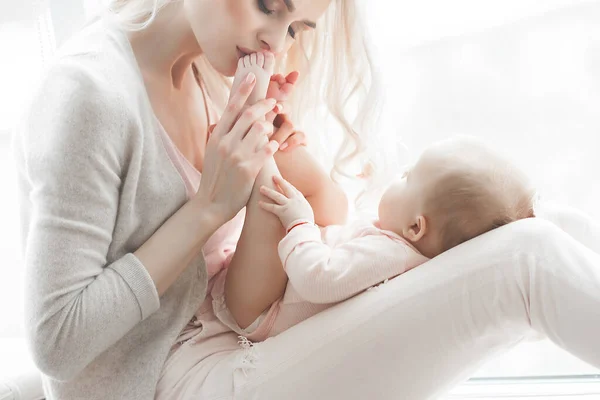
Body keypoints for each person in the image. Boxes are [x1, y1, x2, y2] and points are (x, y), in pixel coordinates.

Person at [12, 0, 600, 399]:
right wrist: (210, 208)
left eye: (296, 27)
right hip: (172, 379)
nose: (275, 40)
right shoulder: (89, 95)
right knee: (528, 260)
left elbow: (302, 243)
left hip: (233, 335)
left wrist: (281, 160)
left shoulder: (205, 74)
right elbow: (58, 344)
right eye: (271, 4)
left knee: (551, 223)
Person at [212, 136, 537, 341]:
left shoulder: (389, 255)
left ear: (415, 227)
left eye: (406, 177)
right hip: (281, 283)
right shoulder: (402, 244)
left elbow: (317, 279)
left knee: (269, 177)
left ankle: (253, 132)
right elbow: (364, 234)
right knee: (311, 178)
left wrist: (300, 223)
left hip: (262, 310)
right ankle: (274, 129)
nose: (398, 178)